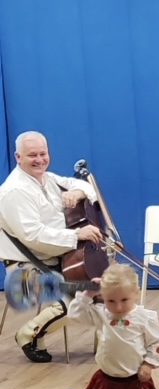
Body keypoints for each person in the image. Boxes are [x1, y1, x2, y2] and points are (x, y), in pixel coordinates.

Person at [0, 131, 103, 363]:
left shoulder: (49, 178)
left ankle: (108, 345)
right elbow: (34, 236)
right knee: (73, 301)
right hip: (26, 267)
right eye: (32, 155)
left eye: (43, 154)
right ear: (18, 157)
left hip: (57, 258)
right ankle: (28, 334)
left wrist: (77, 192)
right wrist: (76, 235)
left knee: (105, 285)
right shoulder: (14, 191)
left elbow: (85, 186)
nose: (39, 160)